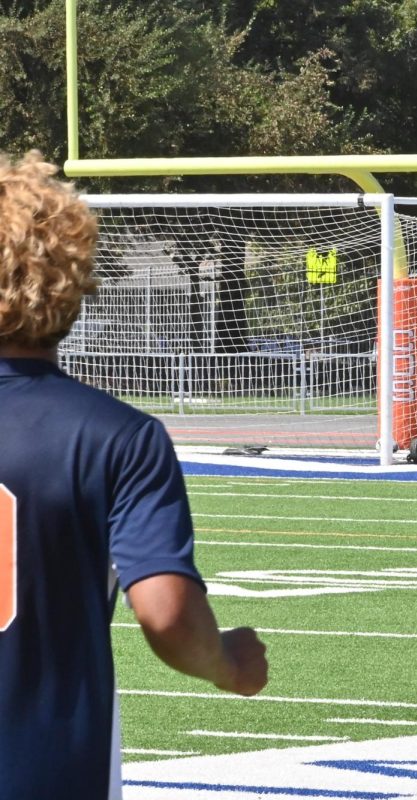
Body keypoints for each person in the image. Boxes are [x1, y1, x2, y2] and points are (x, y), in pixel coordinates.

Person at [0, 152, 269, 799]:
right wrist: (227, 662)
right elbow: (168, 614)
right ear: (72, 275)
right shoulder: (118, 437)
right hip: (51, 771)